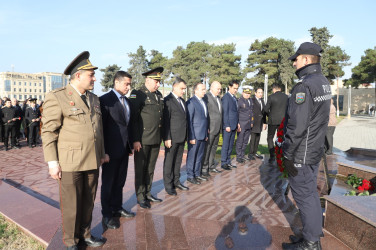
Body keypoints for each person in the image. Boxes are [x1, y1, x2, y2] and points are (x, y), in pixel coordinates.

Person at [41, 51, 108, 249]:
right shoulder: (58, 97)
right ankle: (71, 241)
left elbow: (98, 130)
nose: (94, 78)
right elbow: (48, 132)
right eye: (91, 74)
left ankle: (85, 234)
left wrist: (102, 152)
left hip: (92, 159)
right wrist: (52, 163)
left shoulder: (94, 99)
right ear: (78, 75)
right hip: (70, 162)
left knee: (89, 201)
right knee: (71, 205)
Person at [282, 42, 331, 250]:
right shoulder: (322, 82)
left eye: (296, 59)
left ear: (306, 59)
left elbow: (297, 126)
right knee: (309, 193)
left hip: (301, 152)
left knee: (305, 197)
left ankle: (311, 243)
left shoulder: (304, 86)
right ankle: (310, 235)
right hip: (313, 149)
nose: (294, 63)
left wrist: (288, 154)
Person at [100, 71, 135, 230]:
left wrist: (130, 144)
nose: (129, 87)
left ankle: (117, 207)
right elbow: (100, 129)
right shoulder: (105, 100)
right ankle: (107, 214)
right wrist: (103, 151)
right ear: (116, 82)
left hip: (123, 149)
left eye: (129, 84)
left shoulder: (127, 101)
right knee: (108, 183)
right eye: (126, 84)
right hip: (110, 152)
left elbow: (127, 125)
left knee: (120, 181)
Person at [129, 67, 164, 209]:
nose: (158, 84)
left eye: (159, 81)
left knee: (150, 168)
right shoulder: (137, 94)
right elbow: (134, 118)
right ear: (147, 80)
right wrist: (136, 139)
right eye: (156, 81)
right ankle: (140, 196)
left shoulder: (158, 95)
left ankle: (148, 192)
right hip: (142, 140)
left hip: (155, 138)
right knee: (141, 169)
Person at [162, 77, 189, 195]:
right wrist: (167, 137)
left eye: (184, 89)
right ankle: (168, 185)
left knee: (178, 161)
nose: (183, 91)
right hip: (172, 137)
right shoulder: (167, 100)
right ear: (174, 86)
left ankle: (176, 181)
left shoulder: (182, 101)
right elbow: (166, 121)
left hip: (181, 136)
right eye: (181, 88)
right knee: (169, 162)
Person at [186, 82, 209, 184]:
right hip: (194, 135)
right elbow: (189, 120)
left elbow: (205, 118)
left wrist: (206, 133)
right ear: (196, 90)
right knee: (192, 156)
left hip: (203, 134)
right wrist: (191, 136)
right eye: (202, 89)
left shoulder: (203, 101)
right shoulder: (191, 102)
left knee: (199, 156)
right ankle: (190, 176)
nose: (204, 91)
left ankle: (197, 174)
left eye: (205, 89)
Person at [202, 81, 223, 176]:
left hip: (217, 128)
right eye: (218, 89)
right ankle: (204, 168)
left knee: (214, 148)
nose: (219, 91)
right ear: (212, 88)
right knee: (207, 148)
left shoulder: (218, 98)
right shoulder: (207, 97)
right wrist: (207, 127)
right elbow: (205, 113)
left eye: (220, 89)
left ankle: (211, 166)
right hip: (210, 128)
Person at [264, 83, 288, 163]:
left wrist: (269, 115)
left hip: (272, 120)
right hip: (283, 121)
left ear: (274, 89)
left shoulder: (271, 97)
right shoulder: (286, 97)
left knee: (270, 137)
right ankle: (280, 155)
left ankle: (272, 156)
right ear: (280, 89)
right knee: (281, 138)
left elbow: (266, 109)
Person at [221, 81, 240, 170]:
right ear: (229, 87)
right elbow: (225, 112)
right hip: (228, 126)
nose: (235, 90)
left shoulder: (234, 98)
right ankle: (224, 162)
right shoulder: (226, 98)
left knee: (230, 145)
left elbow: (235, 112)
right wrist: (226, 125)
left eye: (237, 88)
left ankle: (228, 161)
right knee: (226, 145)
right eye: (234, 88)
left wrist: (237, 123)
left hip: (234, 125)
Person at [236, 88, 254, 163]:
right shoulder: (239, 101)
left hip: (248, 124)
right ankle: (239, 156)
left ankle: (242, 155)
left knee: (245, 141)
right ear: (242, 93)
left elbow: (251, 112)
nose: (247, 95)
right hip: (242, 124)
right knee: (240, 140)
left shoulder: (250, 100)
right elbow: (236, 113)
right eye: (246, 93)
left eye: (249, 93)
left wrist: (252, 121)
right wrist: (237, 124)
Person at [248, 87, 266, 160]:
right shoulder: (252, 100)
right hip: (254, 122)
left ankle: (255, 152)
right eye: (259, 92)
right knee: (253, 138)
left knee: (258, 138)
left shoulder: (262, 101)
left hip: (260, 122)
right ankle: (250, 153)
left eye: (261, 92)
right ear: (255, 93)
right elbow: (250, 111)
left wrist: (265, 122)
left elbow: (264, 112)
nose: (260, 94)